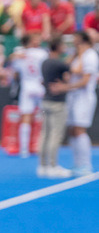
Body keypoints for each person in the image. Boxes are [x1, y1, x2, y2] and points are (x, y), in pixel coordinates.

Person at [65, 31, 99, 175]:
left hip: (84, 97)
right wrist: (75, 54)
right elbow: (66, 67)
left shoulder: (90, 55)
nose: (73, 41)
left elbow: (85, 80)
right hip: (73, 96)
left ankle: (86, 164)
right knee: (72, 130)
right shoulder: (77, 54)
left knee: (79, 129)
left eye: (75, 38)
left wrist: (65, 87)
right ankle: (77, 163)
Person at [38, 38, 72, 178]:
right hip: (57, 102)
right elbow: (72, 71)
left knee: (45, 134)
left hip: (46, 101)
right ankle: (52, 165)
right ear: (58, 46)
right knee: (55, 135)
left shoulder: (45, 62)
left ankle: (42, 165)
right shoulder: (59, 63)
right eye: (63, 45)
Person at [12, 33, 47, 158]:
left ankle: (24, 150)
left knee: (26, 117)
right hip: (40, 85)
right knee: (44, 117)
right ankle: (44, 147)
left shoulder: (19, 54)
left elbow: (15, 73)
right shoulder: (42, 53)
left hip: (27, 86)